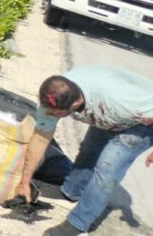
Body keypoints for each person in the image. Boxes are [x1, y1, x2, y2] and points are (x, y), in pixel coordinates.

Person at [14, 66, 153, 236]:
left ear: (75, 104)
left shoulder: (121, 100)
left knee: (107, 169)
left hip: (141, 124)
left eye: (54, 113)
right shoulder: (55, 98)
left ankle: (77, 225)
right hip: (110, 115)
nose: (48, 114)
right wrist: (24, 181)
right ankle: (72, 191)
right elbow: (40, 139)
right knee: (89, 149)